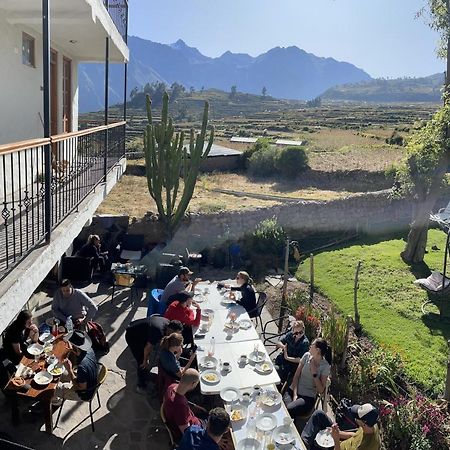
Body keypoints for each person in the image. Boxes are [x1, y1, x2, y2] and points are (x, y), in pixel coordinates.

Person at [125, 317, 183, 393]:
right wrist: (146, 359)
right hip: (133, 335)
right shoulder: (158, 331)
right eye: (175, 333)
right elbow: (148, 347)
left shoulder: (168, 323)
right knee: (142, 362)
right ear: (171, 330)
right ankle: (141, 386)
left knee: (147, 352)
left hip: (142, 330)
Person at [284, 338, 332, 417]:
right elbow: (296, 376)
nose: (310, 346)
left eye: (312, 345)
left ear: (317, 350)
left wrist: (314, 373)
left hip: (307, 397)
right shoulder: (306, 355)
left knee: (289, 410)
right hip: (294, 390)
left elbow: (321, 390)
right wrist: (295, 395)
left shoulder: (325, 366)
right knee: (285, 408)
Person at [301, 403, 381, 450]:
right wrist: (338, 433)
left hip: (336, 447)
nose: (354, 418)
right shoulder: (371, 426)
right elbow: (354, 436)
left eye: (356, 416)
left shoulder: (366, 446)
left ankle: (303, 445)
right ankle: (304, 443)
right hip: (340, 442)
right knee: (319, 414)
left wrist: (336, 439)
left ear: (364, 422)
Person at [54, 330, 98, 403]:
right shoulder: (89, 350)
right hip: (90, 380)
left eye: (71, 344)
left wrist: (70, 370)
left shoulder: (82, 367)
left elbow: (80, 388)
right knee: (60, 374)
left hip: (84, 394)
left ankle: (55, 402)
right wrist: (72, 350)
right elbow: (78, 353)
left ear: (76, 347)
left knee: (55, 388)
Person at [163, 369, 207, 442]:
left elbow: (183, 402)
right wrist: (209, 437)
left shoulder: (172, 386)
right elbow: (187, 432)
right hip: (194, 427)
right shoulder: (179, 406)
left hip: (191, 418)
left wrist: (196, 406)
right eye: (197, 384)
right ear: (193, 384)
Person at [274, 320, 310, 384]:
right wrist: (283, 347)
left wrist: (287, 357)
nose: (298, 334)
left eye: (301, 332)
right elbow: (279, 342)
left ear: (304, 330)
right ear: (293, 331)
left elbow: (301, 359)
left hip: (292, 365)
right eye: (296, 333)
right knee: (272, 369)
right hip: (282, 359)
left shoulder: (305, 342)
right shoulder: (290, 335)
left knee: (278, 373)